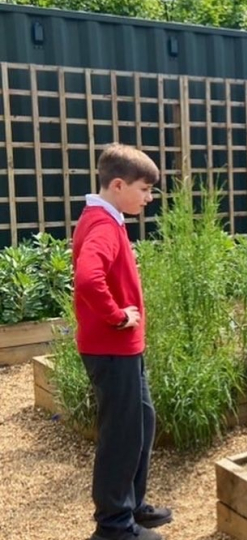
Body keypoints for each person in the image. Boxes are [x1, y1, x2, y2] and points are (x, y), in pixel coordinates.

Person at [73, 143, 172, 540]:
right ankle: (114, 525)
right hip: (112, 350)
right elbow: (87, 278)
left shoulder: (107, 219)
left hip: (122, 350)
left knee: (141, 424)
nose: (149, 199)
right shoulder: (101, 225)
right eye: (145, 190)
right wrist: (117, 316)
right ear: (118, 184)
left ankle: (132, 504)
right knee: (122, 436)